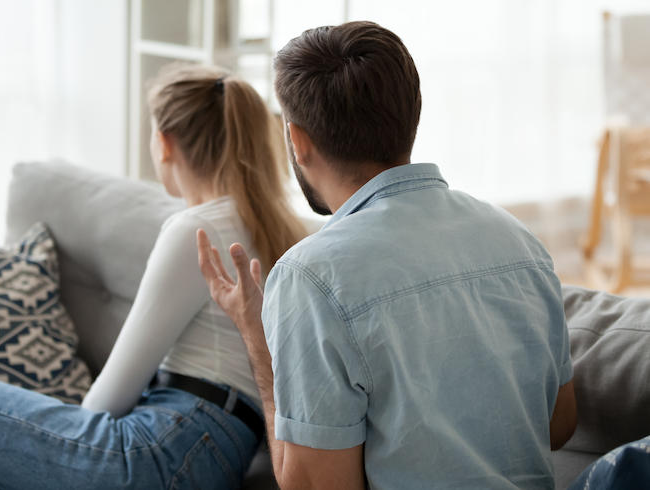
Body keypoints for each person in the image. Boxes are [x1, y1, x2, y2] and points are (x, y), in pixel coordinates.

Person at [197, 21, 578, 490]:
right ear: (410, 117)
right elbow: (559, 425)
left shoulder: (310, 276)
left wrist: (256, 339)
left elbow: (316, 485)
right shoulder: (520, 242)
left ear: (297, 140)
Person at [0, 63, 306, 490]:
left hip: (165, 445)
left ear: (164, 143)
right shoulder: (276, 229)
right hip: (215, 453)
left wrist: (59, 437)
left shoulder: (196, 230)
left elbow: (109, 397)